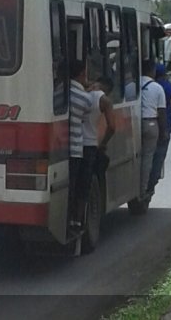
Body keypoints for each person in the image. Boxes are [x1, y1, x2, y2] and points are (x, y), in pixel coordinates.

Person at [68, 59, 93, 231]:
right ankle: (75, 219)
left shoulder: (58, 92)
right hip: (76, 148)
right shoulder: (84, 98)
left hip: (62, 147)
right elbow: (87, 113)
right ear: (81, 74)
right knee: (78, 186)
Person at [140, 59, 167, 198]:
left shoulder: (132, 85)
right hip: (151, 124)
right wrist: (164, 132)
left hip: (135, 125)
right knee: (147, 158)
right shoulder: (157, 88)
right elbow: (161, 113)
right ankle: (144, 189)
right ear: (152, 71)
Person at [148, 63, 171, 194]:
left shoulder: (148, 88)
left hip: (148, 125)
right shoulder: (164, 87)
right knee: (158, 158)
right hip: (163, 127)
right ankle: (150, 185)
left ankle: (148, 185)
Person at [84, 76, 116, 177]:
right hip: (90, 143)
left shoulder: (82, 92)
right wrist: (103, 144)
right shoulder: (104, 100)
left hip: (75, 144)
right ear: (108, 89)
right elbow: (111, 127)